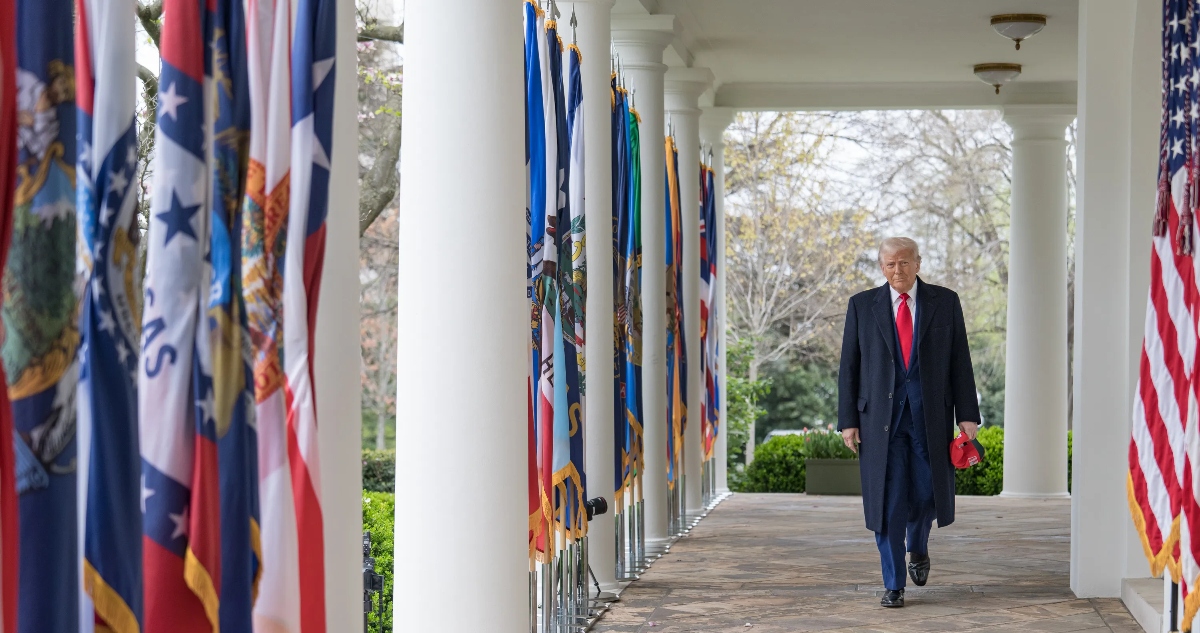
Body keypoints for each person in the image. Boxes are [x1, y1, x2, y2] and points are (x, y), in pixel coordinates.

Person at [836, 237, 980, 608]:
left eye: (903, 263)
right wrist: (847, 421)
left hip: (929, 418)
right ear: (881, 268)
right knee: (886, 503)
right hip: (878, 423)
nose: (896, 271)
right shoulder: (862, 306)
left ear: (917, 263)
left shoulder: (944, 302)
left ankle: (917, 546)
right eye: (889, 265)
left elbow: (959, 360)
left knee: (926, 495)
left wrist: (967, 414)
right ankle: (893, 583)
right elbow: (849, 368)